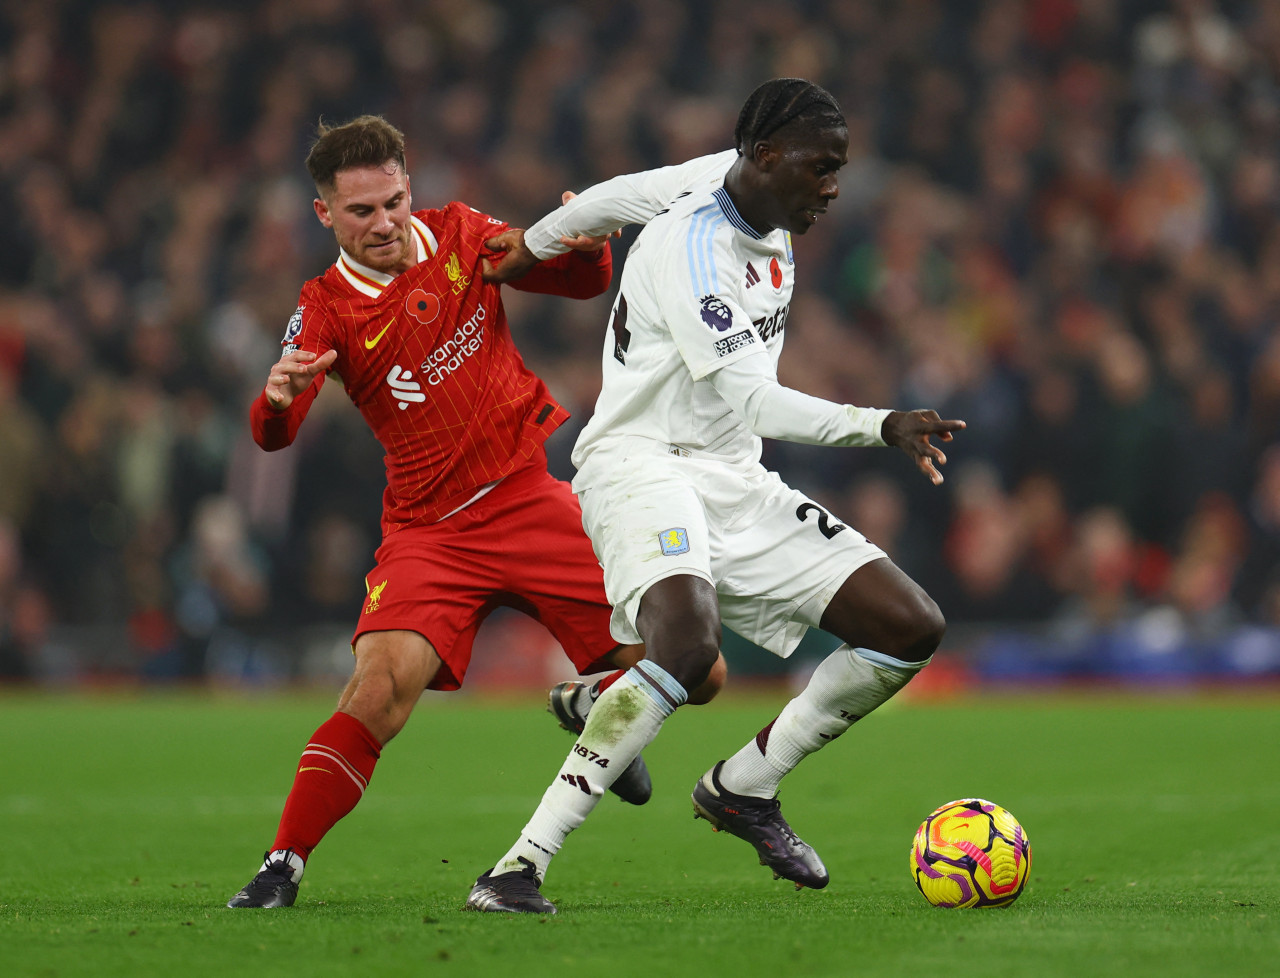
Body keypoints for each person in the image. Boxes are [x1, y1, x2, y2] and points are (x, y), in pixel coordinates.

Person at [467, 79, 964, 914]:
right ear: (764, 155)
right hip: (641, 463)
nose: (833, 186)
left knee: (908, 628)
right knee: (689, 650)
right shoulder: (693, 249)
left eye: (839, 168)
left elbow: (616, 195)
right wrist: (878, 424)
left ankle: (744, 788)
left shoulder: (740, 191)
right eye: (821, 167)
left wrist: (535, 245)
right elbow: (753, 400)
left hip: (732, 476)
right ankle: (518, 867)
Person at [226, 115, 726, 910]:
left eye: (392, 201)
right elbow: (271, 433)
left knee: (699, 670)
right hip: (430, 533)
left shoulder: (462, 234)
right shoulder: (324, 306)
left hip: (531, 499)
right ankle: (282, 864)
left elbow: (579, 280)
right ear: (324, 214)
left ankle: (594, 701)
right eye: (361, 212)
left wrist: (584, 242)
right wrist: (276, 399)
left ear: (409, 187)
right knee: (378, 691)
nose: (384, 222)